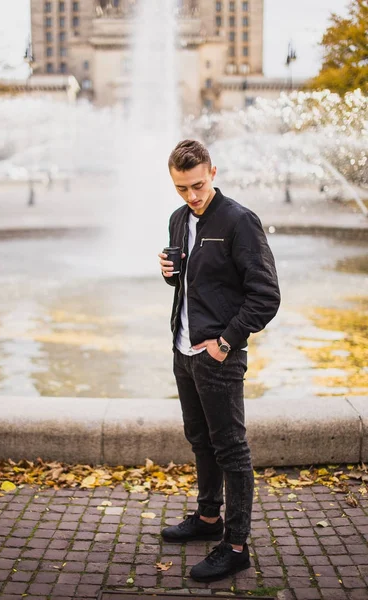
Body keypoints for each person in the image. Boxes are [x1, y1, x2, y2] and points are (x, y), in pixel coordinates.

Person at [158, 139, 280, 583]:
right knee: (200, 440)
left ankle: (235, 546)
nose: (191, 196)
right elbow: (194, 282)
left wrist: (226, 342)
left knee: (231, 448)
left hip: (218, 354)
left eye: (197, 185)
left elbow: (266, 296)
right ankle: (208, 518)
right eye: (181, 188)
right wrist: (170, 272)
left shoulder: (239, 221)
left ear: (213, 171)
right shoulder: (178, 219)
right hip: (184, 350)